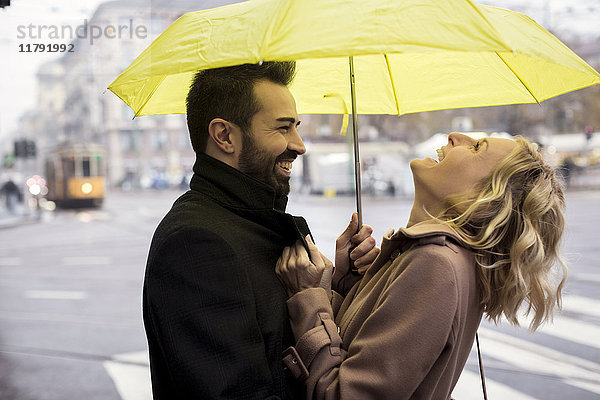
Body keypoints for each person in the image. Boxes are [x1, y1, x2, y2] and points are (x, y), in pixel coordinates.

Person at [142, 61, 380, 400]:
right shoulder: (196, 242)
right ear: (224, 136)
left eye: (296, 127)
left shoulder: (253, 222)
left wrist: (339, 283)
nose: (299, 145)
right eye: (283, 128)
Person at [276, 133, 567, 399]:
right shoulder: (442, 258)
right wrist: (350, 286)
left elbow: (344, 394)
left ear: (483, 196)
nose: (456, 136)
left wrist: (309, 295)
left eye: (477, 147)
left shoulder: (435, 263)